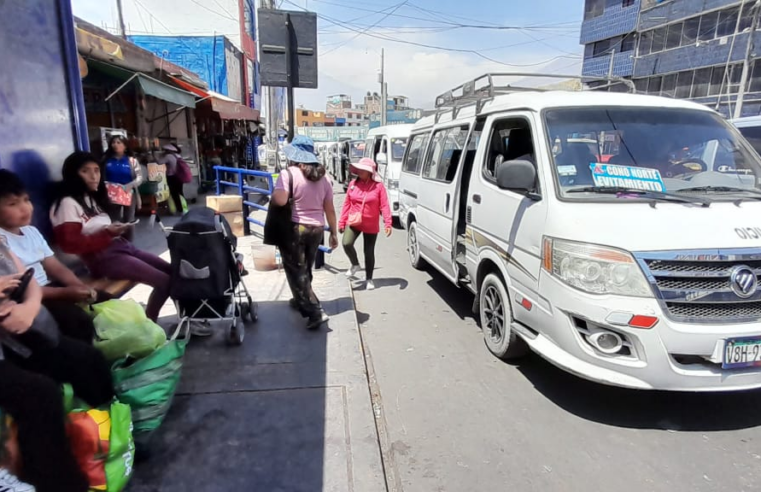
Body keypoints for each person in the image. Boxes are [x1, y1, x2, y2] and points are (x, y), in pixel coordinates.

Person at [0, 241, 114, 492]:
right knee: (39, 394)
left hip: (16, 335)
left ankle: (109, 439)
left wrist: (28, 310)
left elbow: (28, 282)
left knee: (86, 359)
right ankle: (61, 484)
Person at [50, 151, 171, 322]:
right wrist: (107, 233)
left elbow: (96, 227)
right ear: (72, 174)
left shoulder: (89, 198)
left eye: (96, 170)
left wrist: (115, 229)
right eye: (85, 171)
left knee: (172, 272)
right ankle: (150, 323)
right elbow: (70, 244)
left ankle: (186, 317)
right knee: (164, 281)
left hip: (121, 247)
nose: (94, 176)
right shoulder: (67, 204)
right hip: (104, 258)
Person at [0, 170, 104, 343]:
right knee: (76, 321)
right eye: (12, 204)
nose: (25, 208)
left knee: (103, 298)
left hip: (50, 288)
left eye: (26, 200)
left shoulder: (31, 231)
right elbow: (21, 289)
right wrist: (65, 293)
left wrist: (80, 287)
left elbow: (55, 267)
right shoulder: (2, 242)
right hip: (29, 299)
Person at [272, 136, 338, 330]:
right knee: (306, 267)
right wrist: (333, 233)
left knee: (295, 271)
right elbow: (330, 209)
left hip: (296, 228)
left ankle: (314, 311)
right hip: (317, 229)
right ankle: (300, 298)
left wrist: (275, 196)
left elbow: (281, 200)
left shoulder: (289, 174)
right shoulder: (325, 178)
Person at [339, 158, 392, 291]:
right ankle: (355, 264)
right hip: (354, 221)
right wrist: (342, 221)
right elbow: (346, 204)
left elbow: (384, 205)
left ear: (370, 172)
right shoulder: (353, 184)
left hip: (370, 223)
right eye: (359, 170)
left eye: (363, 170)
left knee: (368, 252)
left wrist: (388, 223)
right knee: (346, 243)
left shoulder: (378, 186)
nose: (360, 172)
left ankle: (369, 278)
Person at [103, 135, 143, 228]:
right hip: (112, 194)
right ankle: (116, 240)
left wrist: (129, 186)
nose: (115, 145)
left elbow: (140, 177)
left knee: (129, 221)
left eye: (118, 142)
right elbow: (101, 176)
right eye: (113, 142)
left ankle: (128, 241)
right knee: (114, 219)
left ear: (125, 146)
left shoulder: (132, 161)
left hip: (128, 193)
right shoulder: (106, 160)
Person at [157, 144, 185, 215]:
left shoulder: (168, 156)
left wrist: (159, 156)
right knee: (180, 193)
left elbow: (159, 162)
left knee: (174, 194)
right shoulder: (178, 156)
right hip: (180, 176)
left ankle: (179, 210)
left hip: (172, 177)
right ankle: (184, 208)